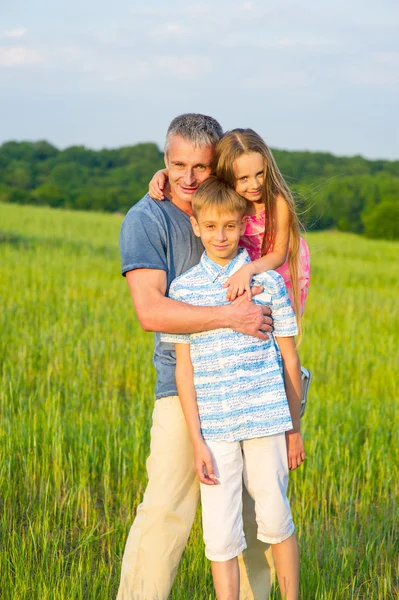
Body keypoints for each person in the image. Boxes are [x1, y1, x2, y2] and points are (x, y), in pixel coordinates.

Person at [117, 114, 276, 600]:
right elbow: (150, 310)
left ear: (219, 168)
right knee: (167, 509)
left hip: (252, 382)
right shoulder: (147, 218)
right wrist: (230, 317)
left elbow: (268, 185)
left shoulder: (236, 204)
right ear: (163, 162)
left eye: (200, 167)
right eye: (176, 164)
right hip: (184, 388)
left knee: (257, 517)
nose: (187, 178)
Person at [162, 177, 305, 600]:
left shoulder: (270, 284)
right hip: (216, 427)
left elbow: (290, 361)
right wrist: (197, 441)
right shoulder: (183, 290)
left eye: (229, 226)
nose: (220, 236)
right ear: (196, 227)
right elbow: (183, 372)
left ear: (244, 224)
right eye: (210, 227)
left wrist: (294, 429)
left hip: (267, 421)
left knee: (276, 517)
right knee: (220, 530)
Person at [149, 128, 310, 319]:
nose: (255, 184)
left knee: (273, 324)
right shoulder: (224, 194)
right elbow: (194, 174)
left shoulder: (277, 202)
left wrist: (248, 270)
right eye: (244, 178)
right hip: (237, 267)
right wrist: (164, 173)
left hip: (278, 268)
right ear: (227, 177)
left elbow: (279, 255)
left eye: (260, 173)